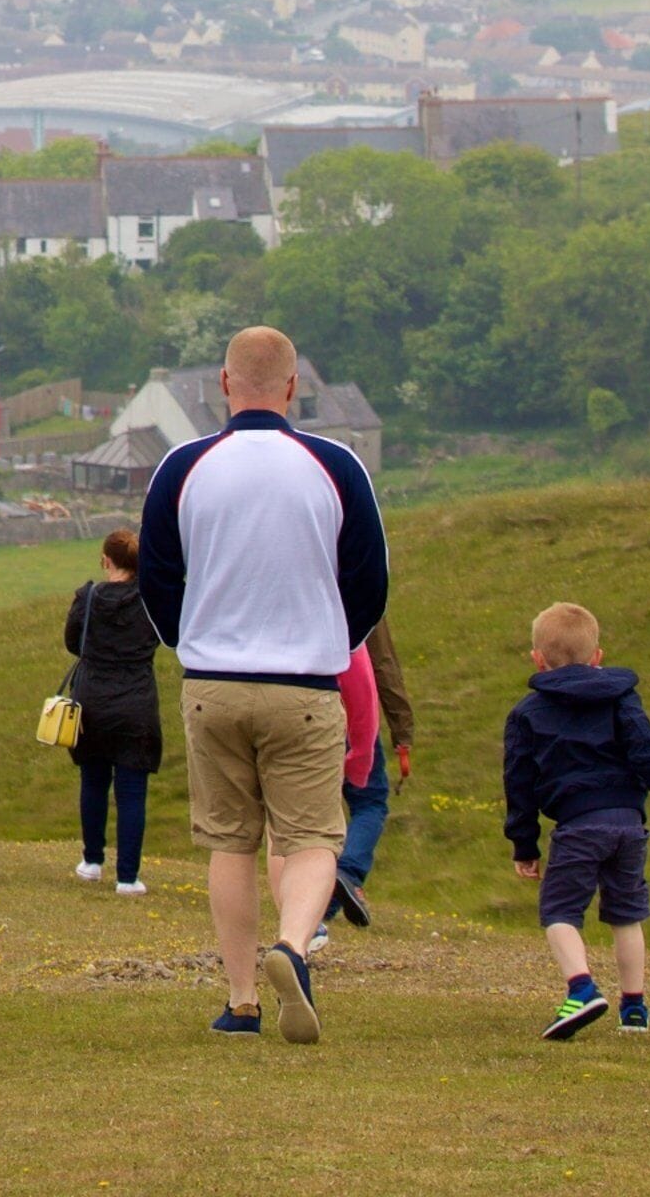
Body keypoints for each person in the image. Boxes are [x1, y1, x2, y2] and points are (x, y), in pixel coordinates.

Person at [139, 325, 386, 1045]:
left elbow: (157, 577)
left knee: (230, 842)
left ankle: (241, 997)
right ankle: (295, 946)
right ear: (292, 387)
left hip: (213, 680)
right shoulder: (334, 466)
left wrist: (189, 641)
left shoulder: (183, 466)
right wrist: (331, 644)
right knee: (311, 837)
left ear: (223, 384)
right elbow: (370, 580)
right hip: (305, 682)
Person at [504, 600, 650, 1039]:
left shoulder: (527, 713)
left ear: (537, 660)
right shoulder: (621, 694)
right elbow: (643, 741)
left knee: (560, 910)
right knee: (626, 913)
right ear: (597, 656)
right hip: (628, 821)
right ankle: (634, 1008)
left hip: (579, 824)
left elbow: (519, 784)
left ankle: (581, 989)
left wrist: (524, 845)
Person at [60, 528, 163, 894]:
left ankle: (92, 860)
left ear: (106, 560)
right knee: (132, 792)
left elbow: (73, 642)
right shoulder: (150, 599)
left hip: (92, 700)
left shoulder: (87, 598)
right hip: (136, 701)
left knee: (93, 781)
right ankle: (128, 876)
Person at [313, 620, 413, 952]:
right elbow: (383, 664)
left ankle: (312, 910)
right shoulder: (361, 582)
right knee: (370, 802)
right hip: (350, 712)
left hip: (294, 709)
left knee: (307, 813)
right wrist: (402, 734)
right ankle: (347, 876)